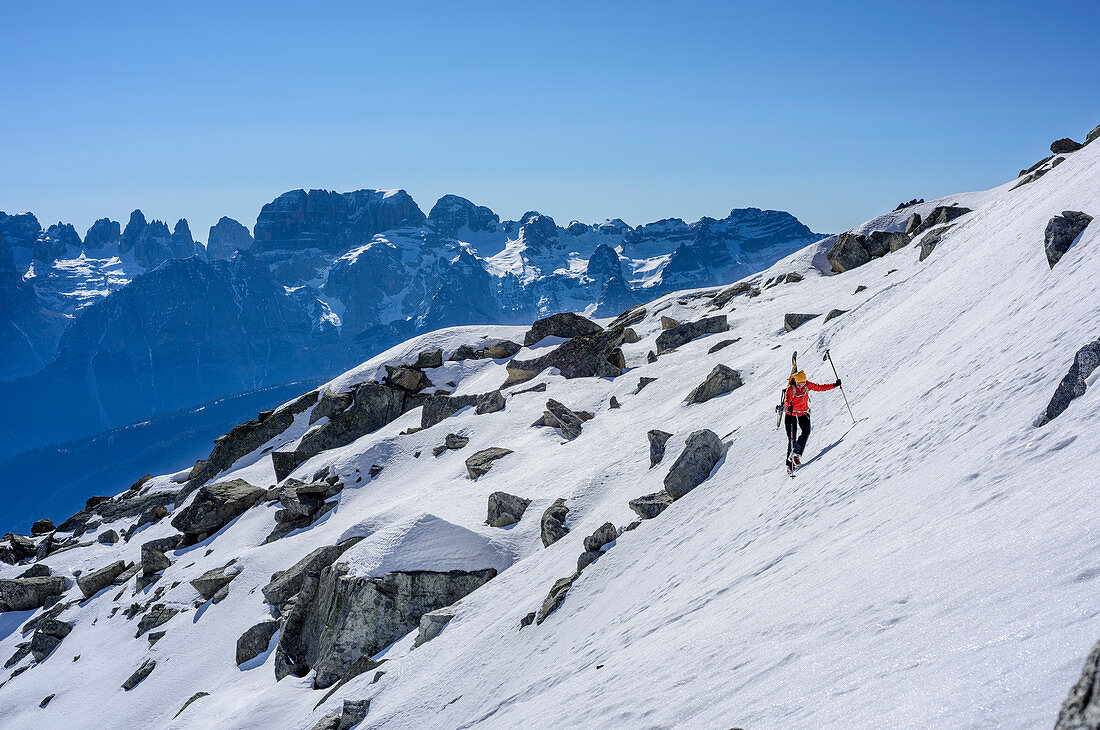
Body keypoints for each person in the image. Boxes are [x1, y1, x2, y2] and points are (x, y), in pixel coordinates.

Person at [780, 370, 840, 472]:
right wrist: (788, 406)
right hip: (791, 414)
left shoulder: (807, 385)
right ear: (796, 381)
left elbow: (820, 387)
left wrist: (834, 385)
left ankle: (796, 454)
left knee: (806, 431)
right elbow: (786, 400)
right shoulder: (791, 388)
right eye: (799, 383)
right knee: (792, 438)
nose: (801, 385)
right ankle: (790, 465)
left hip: (803, 412)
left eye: (803, 383)